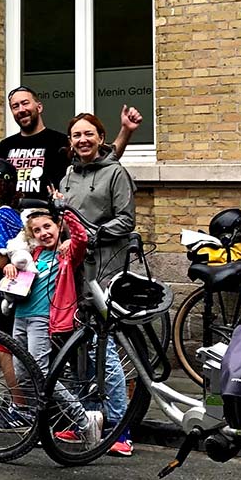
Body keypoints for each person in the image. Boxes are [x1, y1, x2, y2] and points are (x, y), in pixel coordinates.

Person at [56, 111, 138, 457]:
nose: (82, 140)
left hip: (106, 272)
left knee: (103, 353)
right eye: (76, 136)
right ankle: (89, 422)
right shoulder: (68, 177)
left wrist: (92, 235)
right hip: (76, 273)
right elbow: (67, 223)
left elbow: (126, 220)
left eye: (88, 134)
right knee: (81, 350)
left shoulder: (115, 173)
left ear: (101, 138)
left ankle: (120, 429)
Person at [3, 205, 102, 447]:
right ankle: (41, 426)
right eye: (37, 230)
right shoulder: (33, 255)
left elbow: (81, 239)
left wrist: (65, 210)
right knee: (23, 376)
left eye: (48, 227)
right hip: (21, 316)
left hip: (42, 319)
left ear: (58, 227)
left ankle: (84, 420)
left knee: (41, 373)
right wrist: (11, 268)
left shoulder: (65, 256)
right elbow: (17, 264)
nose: (43, 233)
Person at [0, 88, 142, 201]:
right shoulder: (6, 146)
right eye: (15, 106)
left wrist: (126, 130)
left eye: (25, 103)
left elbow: (106, 158)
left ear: (38, 106)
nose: (21, 109)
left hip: (47, 228)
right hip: (12, 225)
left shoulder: (60, 141)